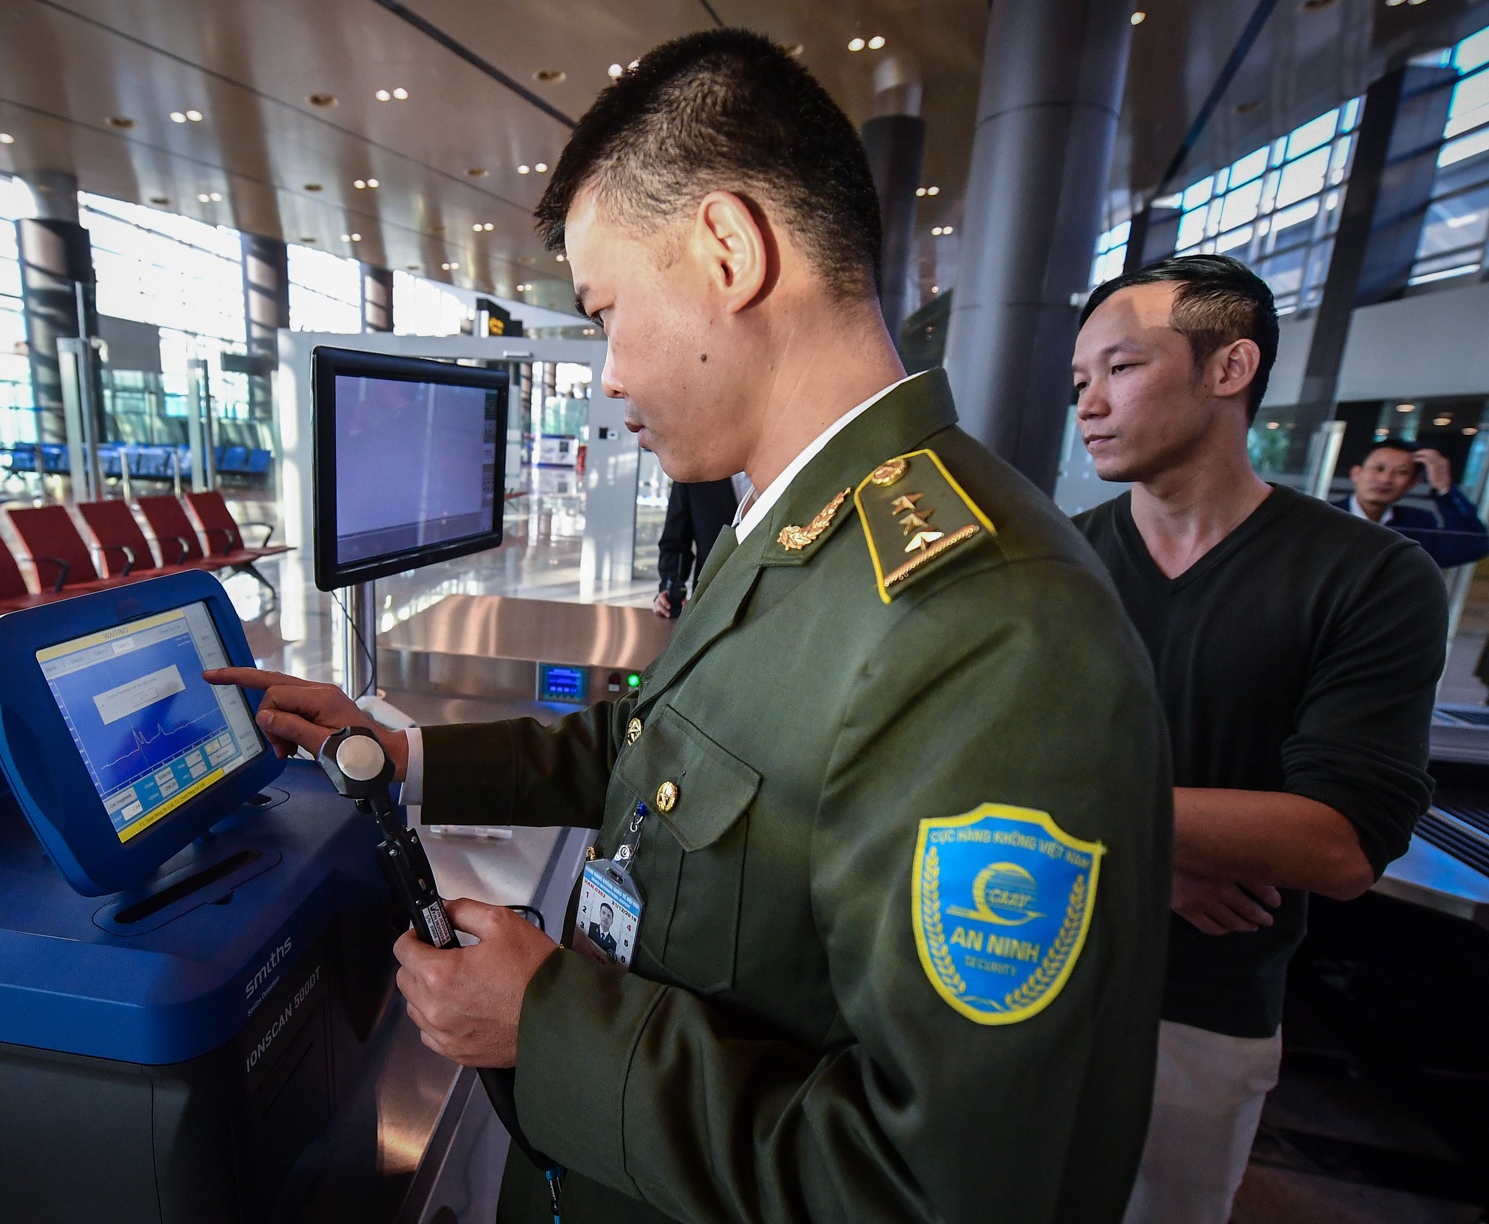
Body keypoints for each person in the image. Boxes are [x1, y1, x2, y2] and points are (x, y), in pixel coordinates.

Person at [213, 30, 1172, 1224]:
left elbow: (941, 1188)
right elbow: (657, 749)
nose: (609, 375)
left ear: (726, 249)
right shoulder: (793, 531)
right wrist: (407, 754)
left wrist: (548, 1026)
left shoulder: (988, 631)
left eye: (609, 310)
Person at [1070, 254, 1448, 1224]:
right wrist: (1143, 857)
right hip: (1012, 961)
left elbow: (1341, 840)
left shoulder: (1368, 577)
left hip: (1200, 1010)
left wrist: (1105, 831)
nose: (1090, 403)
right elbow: (954, 764)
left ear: (1229, 370)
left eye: (1121, 368)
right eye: (1080, 381)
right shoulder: (1054, 557)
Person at [1335, 437, 1489, 568]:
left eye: (1402, 472)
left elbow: (1474, 545)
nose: (1386, 479)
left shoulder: (1418, 523)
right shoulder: (1326, 515)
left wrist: (1444, 488)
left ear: (1413, 483)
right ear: (1356, 473)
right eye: (1379, 468)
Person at [653, 477, 744, 618]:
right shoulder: (693, 469)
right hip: (710, 599)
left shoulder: (781, 466)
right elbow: (675, 540)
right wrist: (669, 587)